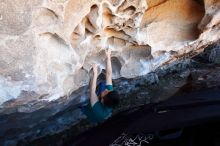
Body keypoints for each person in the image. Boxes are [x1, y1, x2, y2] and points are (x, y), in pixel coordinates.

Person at [82, 49, 120, 123]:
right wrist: (108, 56)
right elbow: (109, 74)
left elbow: (92, 92)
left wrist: (95, 74)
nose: (107, 90)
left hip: (93, 114)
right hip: (102, 101)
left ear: (103, 99)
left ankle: (82, 109)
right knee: (102, 84)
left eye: (106, 92)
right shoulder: (109, 94)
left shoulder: (99, 111)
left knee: (86, 109)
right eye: (109, 90)